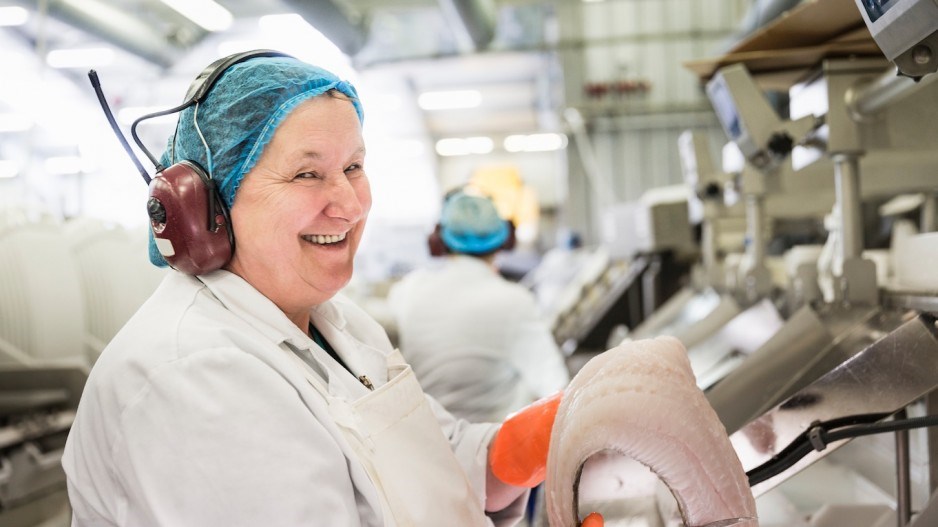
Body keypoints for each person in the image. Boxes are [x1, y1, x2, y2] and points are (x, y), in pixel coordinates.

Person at [61, 51, 607, 527]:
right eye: (306, 174)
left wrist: (545, 435)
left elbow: (436, 465)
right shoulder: (194, 376)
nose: (349, 204)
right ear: (206, 208)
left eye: (354, 166)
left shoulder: (337, 324)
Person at [388, 190, 570, 423]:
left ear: (439, 240)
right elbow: (556, 389)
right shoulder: (514, 301)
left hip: (427, 443)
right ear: (505, 239)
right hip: (490, 448)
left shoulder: (408, 289)